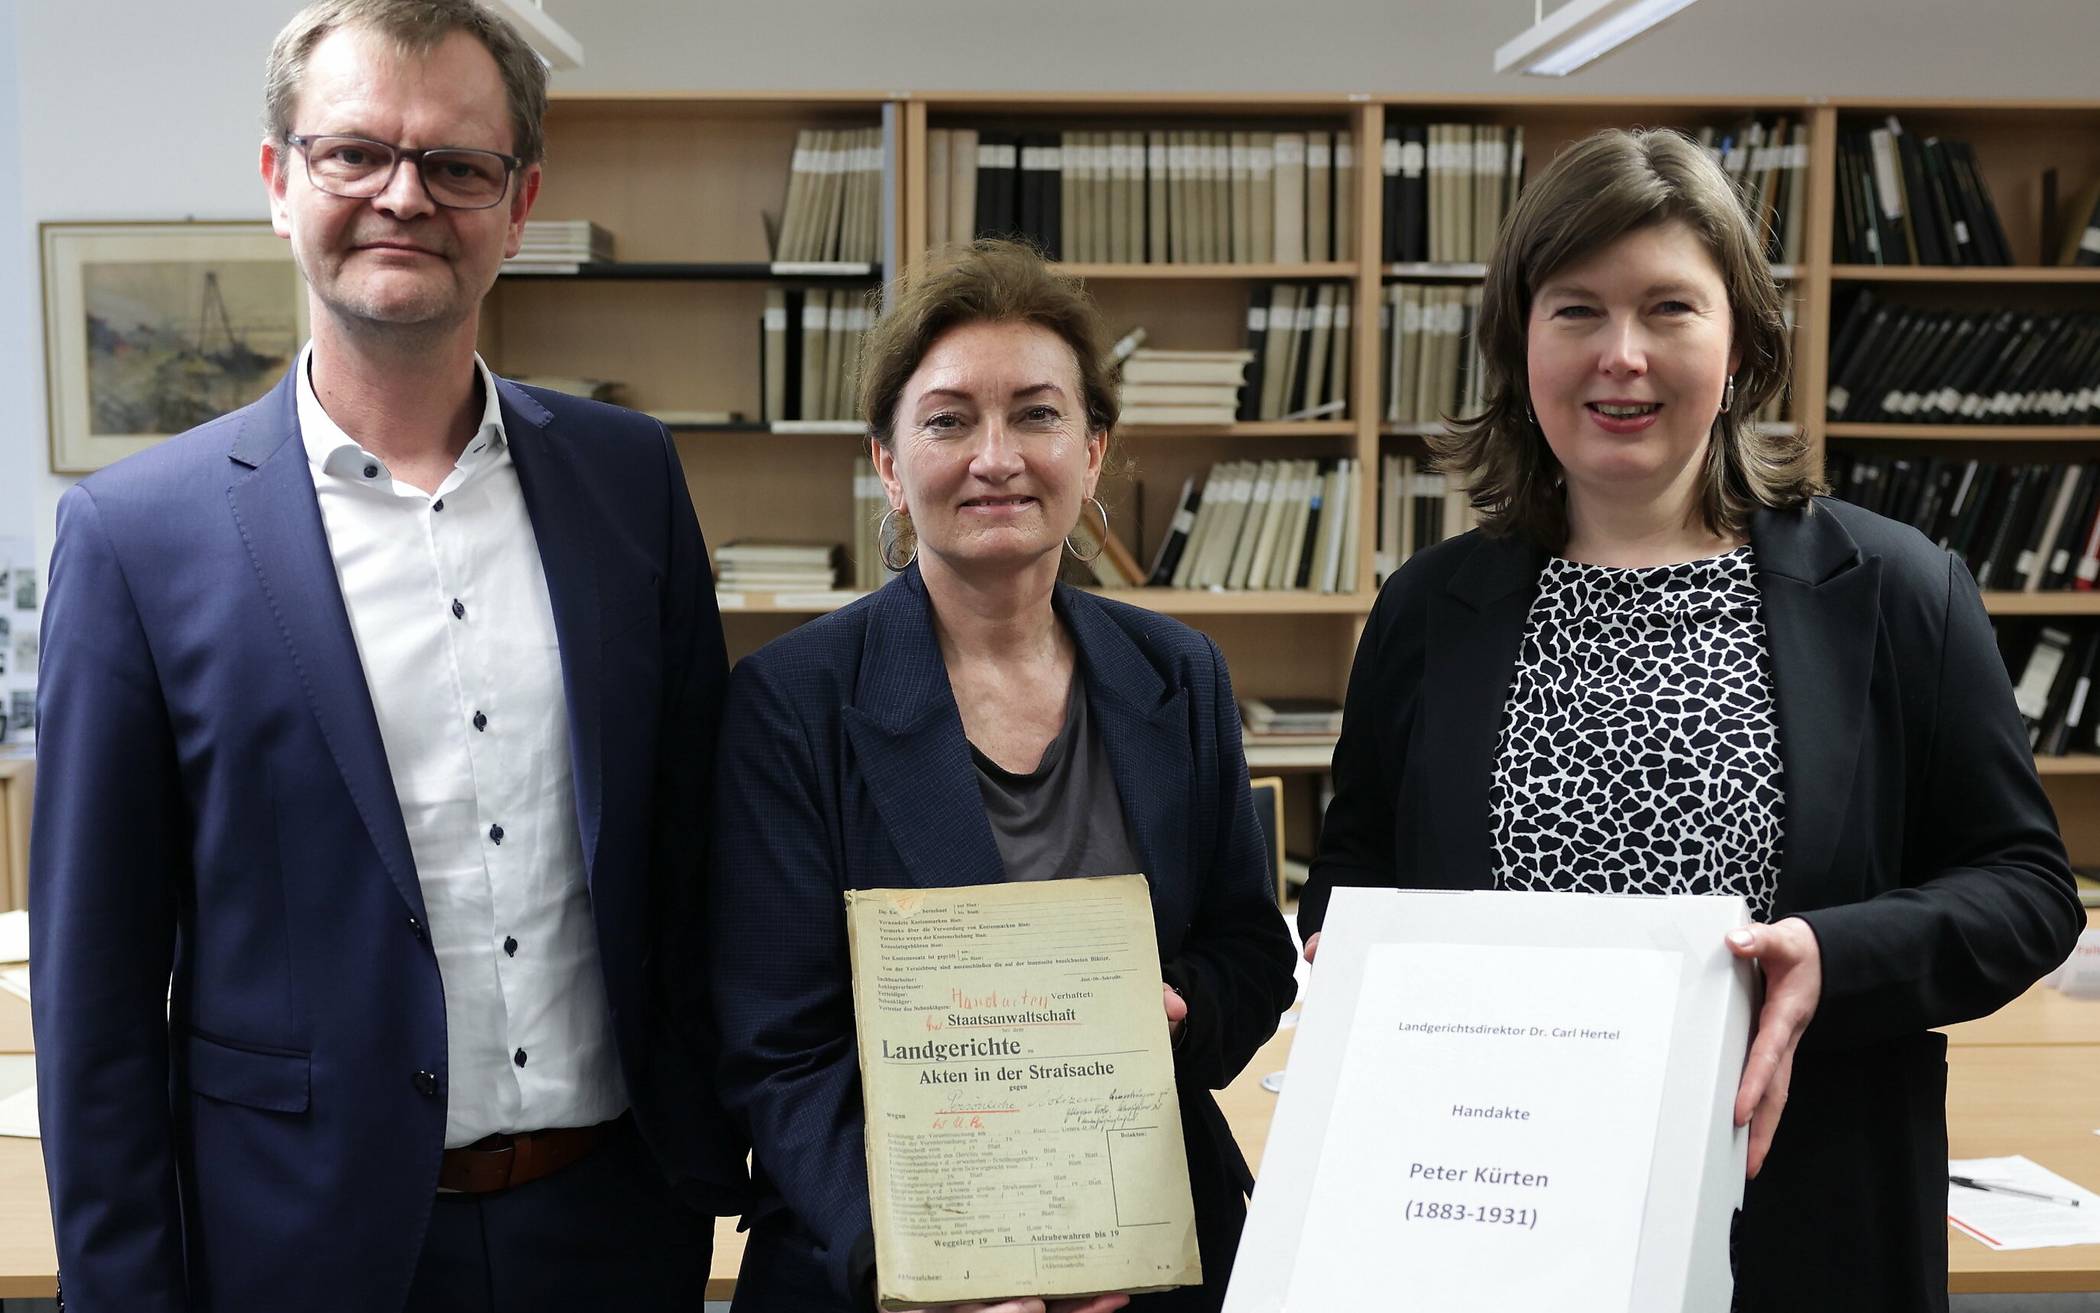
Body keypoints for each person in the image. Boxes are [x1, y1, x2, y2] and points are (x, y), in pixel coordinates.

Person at [31, 2, 744, 1309]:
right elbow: (99, 998)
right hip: (295, 1247)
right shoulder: (137, 540)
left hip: (615, 1230)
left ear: (519, 202)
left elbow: (696, 854)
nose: (403, 197)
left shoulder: (629, 481)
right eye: (355, 153)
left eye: (456, 165)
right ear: (278, 180)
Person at [1298, 126, 2083, 1311]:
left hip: (1801, 1219)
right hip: (1490, 1222)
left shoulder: (1894, 589)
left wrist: (1837, 953)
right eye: (1576, 310)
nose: (1622, 355)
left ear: (1741, 342)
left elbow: (2025, 886)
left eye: (1670, 307)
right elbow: (1354, 874)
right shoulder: (1427, 611)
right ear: (1521, 341)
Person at [708, 240, 1298, 1313]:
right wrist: (929, 1261)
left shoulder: (1182, 674)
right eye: (947, 419)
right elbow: (777, 1049)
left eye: (1036, 413)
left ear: (1094, 447)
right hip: (886, 1260)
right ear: (889, 460)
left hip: (1152, 1246)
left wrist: (1178, 1009)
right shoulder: (790, 703)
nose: (997, 456)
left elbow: (1252, 952)